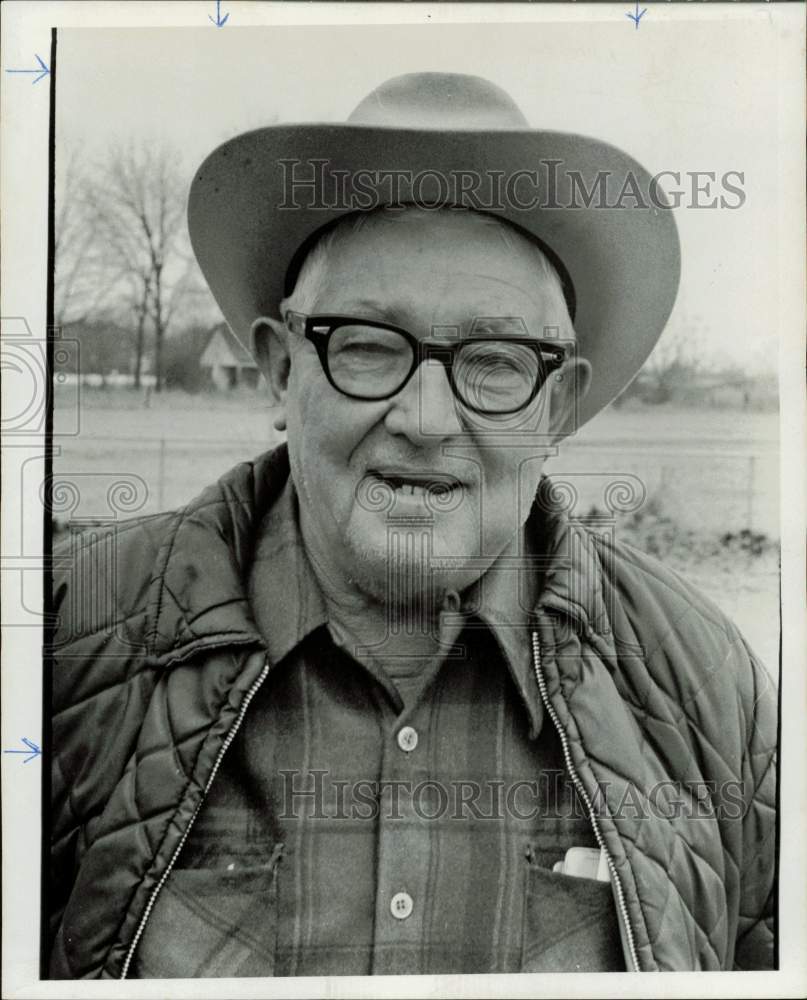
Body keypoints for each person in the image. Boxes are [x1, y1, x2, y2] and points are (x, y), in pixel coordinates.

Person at [48, 73, 776, 978]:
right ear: (279, 372)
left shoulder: (706, 687)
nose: (426, 418)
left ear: (556, 404)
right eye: (365, 345)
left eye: (496, 361)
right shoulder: (68, 641)